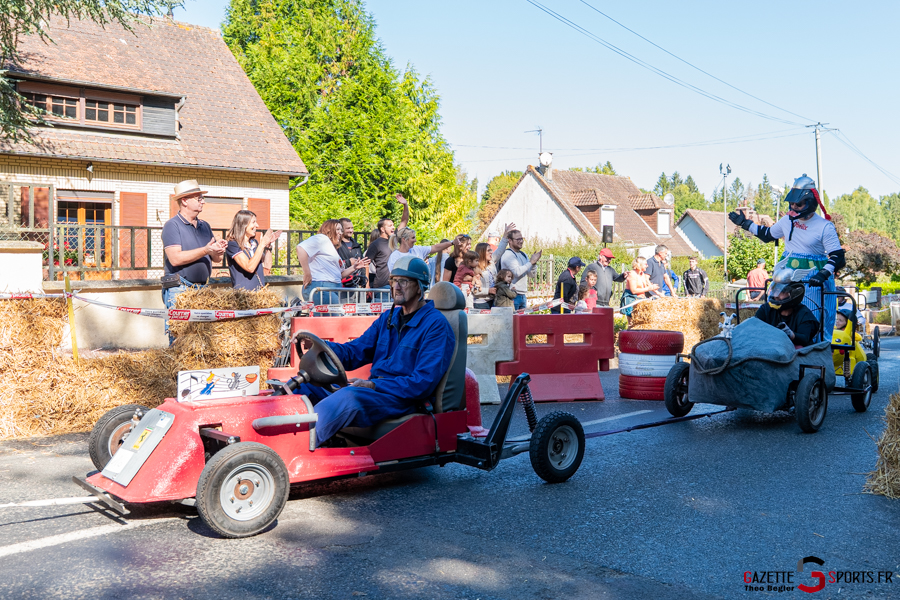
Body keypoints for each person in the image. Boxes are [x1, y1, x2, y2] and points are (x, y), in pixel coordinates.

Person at [288, 256, 455, 447]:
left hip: (402, 399)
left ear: (420, 287)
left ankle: (296, 450)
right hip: (376, 391)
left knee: (348, 397)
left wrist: (374, 386)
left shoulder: (436, 326)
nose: (396, 287)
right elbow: (354, 352)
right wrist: (319, 345)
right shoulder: (388, 318)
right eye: (394, 280)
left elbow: (422, 383)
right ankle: (270, 440)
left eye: (404, 281)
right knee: (303, 386)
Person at [730, 174, 845, 341]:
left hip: (815, 277)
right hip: (787, 273)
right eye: (792, 203)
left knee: (813, 316)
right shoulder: (787, 221)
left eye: (798, 204)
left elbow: (837, 256)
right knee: (777, 309)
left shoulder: (824, 226)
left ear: (810, 202)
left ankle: (815, 350)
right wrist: (745, 223)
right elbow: (768, 234)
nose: (793, 207)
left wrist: (823, 274)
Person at [161, 180, 227, 342]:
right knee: (180, 341)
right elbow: (175, 259)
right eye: (198, 198)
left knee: (200, 341)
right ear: (184, 201)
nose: (203, 201)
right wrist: (206, 250)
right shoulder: (172, 226)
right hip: (180, 289)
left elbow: (216, 259)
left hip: (202, 289)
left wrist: (218, 250)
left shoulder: (205, 226)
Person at [297, 220, 370, 315]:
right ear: (328, 230)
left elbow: (340, 275)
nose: (341, 232)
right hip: (321, 286)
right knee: (333, 320)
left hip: (329, 287)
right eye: (338, 229)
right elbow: (301, 248)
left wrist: (354, 267)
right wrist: (307, 273)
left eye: (341, 230)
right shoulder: (322, 238)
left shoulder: (331, 247)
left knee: (330, 321)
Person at [753, 268, 819, 347]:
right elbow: (754, 328)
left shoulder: (805, 315)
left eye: (781, 291)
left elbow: (805, 339)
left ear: (794, 293)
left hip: (794, 354)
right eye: (775, 290)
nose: (776, 295)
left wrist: (791, 334)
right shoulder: (766, 309)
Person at [225, 210, 281, 291]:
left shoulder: (254, 243)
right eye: (253, 222)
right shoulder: (232, 244)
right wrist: (262, 245)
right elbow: (249, 267)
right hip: (244, 296)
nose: (257, 225)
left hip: (259, 294)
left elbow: (267, 266)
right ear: (243, 224)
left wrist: (268, 246)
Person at [364, 194, 410, 290]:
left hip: (397, 285)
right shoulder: (376, 244)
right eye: (390, 225)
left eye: (393, 225)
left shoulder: (394, 238)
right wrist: (367, 285)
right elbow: (365, 263)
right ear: (382, 229)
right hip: (383, 286)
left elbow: (404, 221)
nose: (393, 227)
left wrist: (405, 205)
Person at [498, 229, 543, 311]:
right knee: (512, 322)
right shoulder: (508, 254)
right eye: (518, 239)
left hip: (523, 295)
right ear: (510, 241)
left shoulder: (523, 254)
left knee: (521, 322)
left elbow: (531, 275)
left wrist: (534, 263)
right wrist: (530, 262)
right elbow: (517, 272)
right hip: (511, 294)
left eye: (521, 239)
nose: (521, 241)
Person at [386, 227, 459, 272]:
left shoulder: (417, 249)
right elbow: (395, 276)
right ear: (404, 239)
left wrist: (452, 243)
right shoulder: (395, 256)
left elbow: (435, 247)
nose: (415, 240)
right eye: (413, 238)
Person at [620, 257, 659, 326]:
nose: (647, 265)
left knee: (640, 324)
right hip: (632, 299)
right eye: (645, 264)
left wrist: (659, 294)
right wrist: (649, 288)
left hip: (640, 299)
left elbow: (649, 285)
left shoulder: (642, 274)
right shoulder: (632, 274)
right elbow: (634, 290)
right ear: (640, 265)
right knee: (632, 324)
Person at [832, 308, 866, 377]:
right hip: (835, 352)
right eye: (837, 320)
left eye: (840, 321)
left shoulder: (848, 331)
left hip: (848, 352)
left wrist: (851, 336)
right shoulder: (834, 329)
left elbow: (859, 337)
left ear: (847, 323)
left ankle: (858, 368)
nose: (837, 322)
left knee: (853, 344)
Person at [337, 217, 367, 289]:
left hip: (358, 284)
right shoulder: (336, 245)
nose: (351, 230)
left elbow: (363, 265)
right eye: (348, 228)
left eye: (352, 228)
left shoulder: (356, 245)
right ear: (341, 229)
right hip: (343, 285)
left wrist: (364, 283)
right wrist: (349, 262)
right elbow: (334, 264)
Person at [472, 242, 497, 310]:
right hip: (481, 304)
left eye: (491, 250)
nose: (491, 252)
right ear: (482, 252)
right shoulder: (475, 268)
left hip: (493, 301)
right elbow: (473, 290)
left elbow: (500, 251)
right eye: (488, 250)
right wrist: (488, 290)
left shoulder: (491, 264)